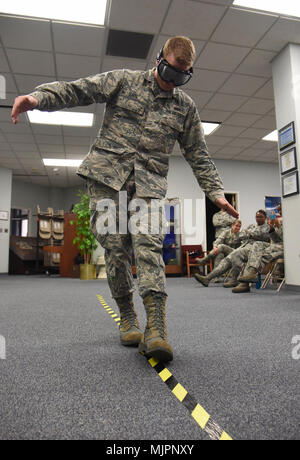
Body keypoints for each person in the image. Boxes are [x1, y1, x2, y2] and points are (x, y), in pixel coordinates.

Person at [11, 36, 238, 363]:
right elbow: (80, 89)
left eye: (183, 76)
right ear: (159, 59)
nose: (173, 82)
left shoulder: (185, 107)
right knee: (116, 248)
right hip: (107, 178)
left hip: (149, 185)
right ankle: (128, 314)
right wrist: (38, 98)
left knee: (149, 244)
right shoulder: (124, 80)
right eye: (171, 72)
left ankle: (156, 326)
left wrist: (214, 191)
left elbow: (198, 154)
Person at [194, 209, 270, 291]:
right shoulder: (252, 226)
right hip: (244, 247)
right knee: (227, 259)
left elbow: (258, 234)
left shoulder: (267, 227)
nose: (258, 218)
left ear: (265, 218)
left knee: (235, 254)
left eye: (261, 217)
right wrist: (248, 233)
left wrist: (248, 233)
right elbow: (242, 234)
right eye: (257, 217)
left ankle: (234, 279)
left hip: (255, 251)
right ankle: (207, 278)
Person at [237, 213, 284, 290]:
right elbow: (276, 239)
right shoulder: (278, 221)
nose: (278, 212)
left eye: (280, 210)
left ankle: (245, 283)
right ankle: (250, 274)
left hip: (287, 247)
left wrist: (278, 225)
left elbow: (285, 239)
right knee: (257, 244)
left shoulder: (290, 220)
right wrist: (272, 228)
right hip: (277, 245)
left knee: (262, 256)